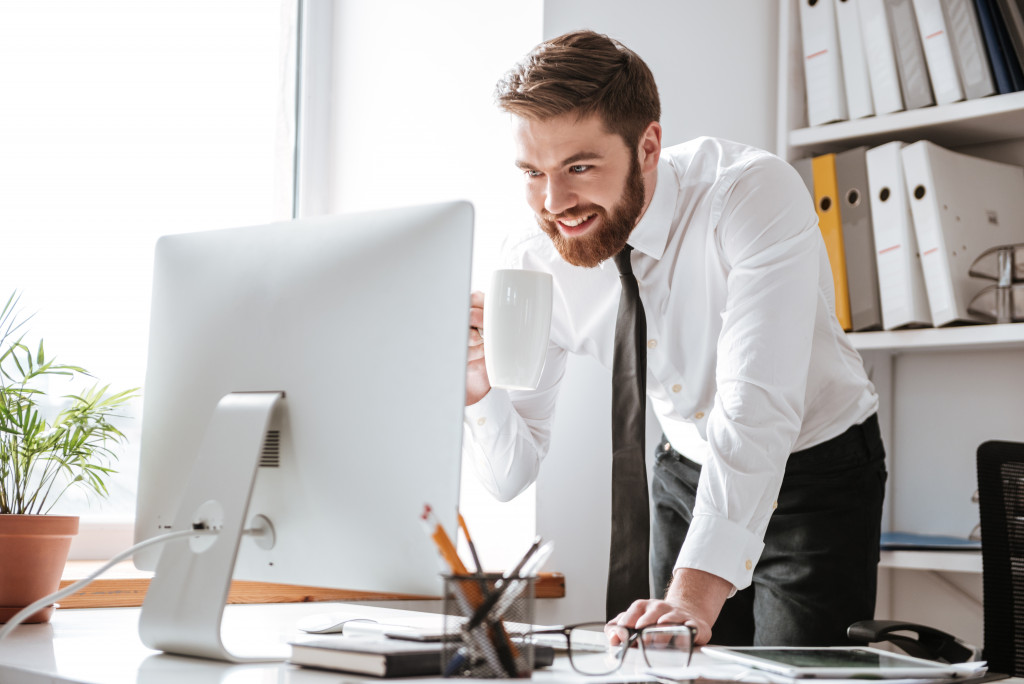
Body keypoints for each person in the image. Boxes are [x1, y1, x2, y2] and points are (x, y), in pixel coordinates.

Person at [462, 29, 886, 647]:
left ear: (649, 145)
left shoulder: (750, 195)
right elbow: (508, 474)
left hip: (814, 471)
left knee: (795, 675)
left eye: (579, 167)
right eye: (533, 172)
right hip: (685, 467)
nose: (555, 202)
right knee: (673, 663)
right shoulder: (533, 259)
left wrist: (691, 597)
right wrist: (479, 390)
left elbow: (757, 407)